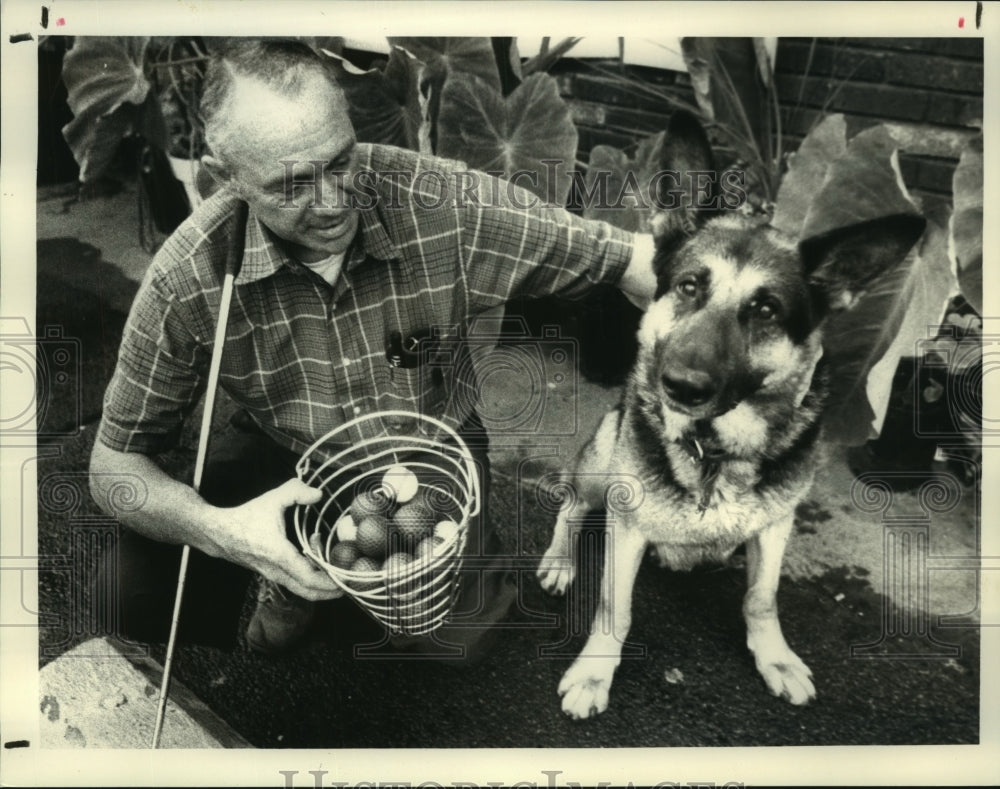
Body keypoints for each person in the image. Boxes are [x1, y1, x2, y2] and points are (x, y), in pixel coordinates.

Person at [89, 38, 657, 659]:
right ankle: (289, 573)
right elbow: (113, 467)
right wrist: (224, 534)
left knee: (455, 643)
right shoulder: (188, 276)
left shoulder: (442, 203)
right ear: (227, 178)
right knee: (126, 593)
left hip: (433, 447)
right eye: (293, 184)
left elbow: (629, 259)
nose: (333, 203)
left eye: (339, 162)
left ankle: (365, 581)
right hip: (291, 453)